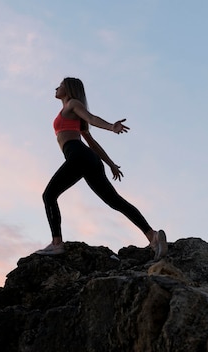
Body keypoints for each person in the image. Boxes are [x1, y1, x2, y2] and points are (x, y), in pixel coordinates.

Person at [36, 77, 167, 259]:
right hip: (88, 158)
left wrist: (111, 127)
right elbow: (92, 143)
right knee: (114, 201)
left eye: (61, 85)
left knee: (49, 195)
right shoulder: (70, 113)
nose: (56, 87)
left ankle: (57, 244)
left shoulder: (72, 104)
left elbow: (91, 118)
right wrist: (111, 164)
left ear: (70, 88)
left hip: (78, 156)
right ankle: (152, 236)